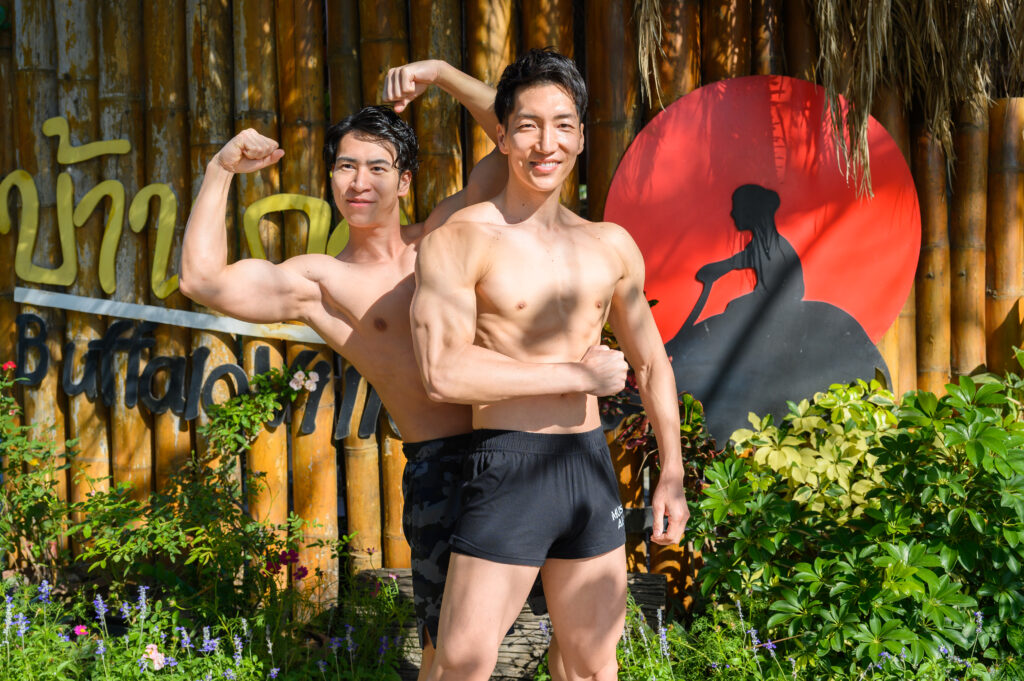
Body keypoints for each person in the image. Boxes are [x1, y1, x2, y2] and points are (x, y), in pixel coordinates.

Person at [178, 59, 615, 680]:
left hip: (529, 446)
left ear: (405, 180)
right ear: (330, 178)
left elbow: (512, 133)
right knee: (448, 655)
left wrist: (440, 73)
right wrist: (220, 169)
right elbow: (201, 280)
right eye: (346, 167)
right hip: (444, 467)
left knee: (576, 651)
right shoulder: (320, 282)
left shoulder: (444, 236)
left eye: (378, 167)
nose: (360, 182)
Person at [410, 49, 689, 681]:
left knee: (593, 667)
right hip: (509, 466)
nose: (546, 143)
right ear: (502, 136)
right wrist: (577, 377)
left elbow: (652, 362)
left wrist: (671, 471)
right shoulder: (461, 239)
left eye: (562, 125)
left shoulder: (610, 244)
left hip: (589, 469)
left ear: (582, 137)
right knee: (462, 666)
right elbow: (442, 372)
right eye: (529, 125)